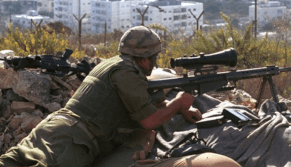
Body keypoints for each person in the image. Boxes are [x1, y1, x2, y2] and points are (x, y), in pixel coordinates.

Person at [0, 26, 202, 167]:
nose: (155, 62)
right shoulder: (127, 73)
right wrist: (178, 104)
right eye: (154, 57)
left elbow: (146, 103)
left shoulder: (113, 63)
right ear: (144, 59)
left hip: (52, 130)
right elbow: (149, 121)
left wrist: (182, 108)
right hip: (71, 143)